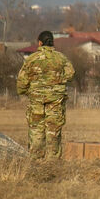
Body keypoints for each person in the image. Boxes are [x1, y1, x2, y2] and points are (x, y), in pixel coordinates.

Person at [16, 30, 76, 160]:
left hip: (36, 100)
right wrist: (57, 82)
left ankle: (36, 161)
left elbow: (22, 81)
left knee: (36, 129)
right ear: (52, 42)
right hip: (56, 100)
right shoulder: (61, 58)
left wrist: (27, 91)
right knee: (53, 130)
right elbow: (70, 74)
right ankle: (52, 163)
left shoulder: (31, 59)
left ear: (40, 43)